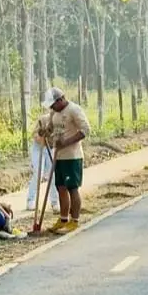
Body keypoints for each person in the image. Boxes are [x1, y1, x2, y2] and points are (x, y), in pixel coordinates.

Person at [44, 87, 91, 235]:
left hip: (72, 156)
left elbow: (86, 130)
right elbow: (50, 128)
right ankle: (63, 219)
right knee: (61, 188)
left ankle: (74, 220)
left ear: (61, 100)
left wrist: (67, 142)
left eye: (53, 104)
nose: (52, 107)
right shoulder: (54, 113)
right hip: (58, 156)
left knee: (72, 188)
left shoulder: (74, 110)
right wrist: (45, 132)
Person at [27, 111, 59, 212]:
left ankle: (55, 202)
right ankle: (31, 200)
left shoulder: (62, 120)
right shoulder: (44, 119)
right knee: (38, 173)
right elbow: (35, 135)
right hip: (39, 147)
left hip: (52, 147)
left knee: (52, 174)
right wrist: (41, 137)